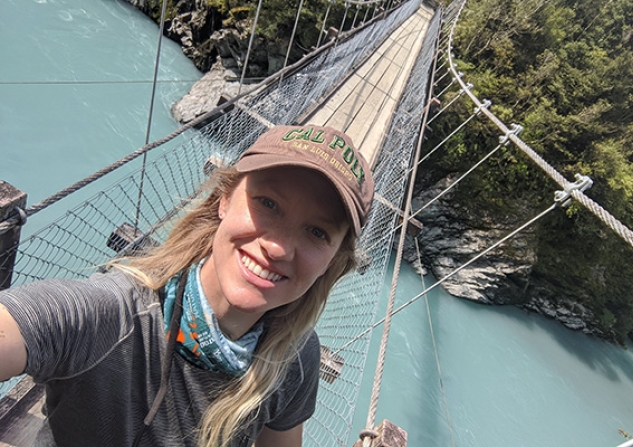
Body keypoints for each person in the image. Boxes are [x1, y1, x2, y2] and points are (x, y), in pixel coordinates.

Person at [0, 124, 374, 447]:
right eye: (268, 203)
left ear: (334, 262)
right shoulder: (109, 316)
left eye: (316, 231)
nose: (277, 247)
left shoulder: (296, 358)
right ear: (224, 199)